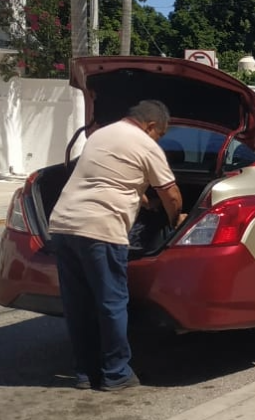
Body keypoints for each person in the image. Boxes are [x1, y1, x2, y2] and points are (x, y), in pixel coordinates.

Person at [48, 99, 184, 390]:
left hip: (63, 224)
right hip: (101, 229)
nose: (158, 139)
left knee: (78, 304)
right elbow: (171, 195)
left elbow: (111, 177)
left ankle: (84, 373)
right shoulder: (147, 145)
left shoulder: (102, 134)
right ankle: (116, 373)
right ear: (151, 126)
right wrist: (175, 219)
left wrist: (142, 200)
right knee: (111, 303)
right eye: (159, 134)